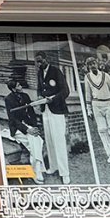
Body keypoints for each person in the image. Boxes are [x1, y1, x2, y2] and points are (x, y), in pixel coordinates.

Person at [35, 50, 71, 184]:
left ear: (46, 59)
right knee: (49, 139)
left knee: (59, 140)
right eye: (37, 62)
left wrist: (53, 99)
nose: (39, 64)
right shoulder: (39, 73)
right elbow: (40, 88)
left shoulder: (56, 71)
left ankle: (65, 172)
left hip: (56, 109)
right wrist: (40, 97)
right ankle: (53, 166)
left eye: (41, 61)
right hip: (46, 110)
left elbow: (65, 91)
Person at [83, 56, 110, 164]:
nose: (92, 66)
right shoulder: (87, 77)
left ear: (97, 64)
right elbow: (87, 94)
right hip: (96, 104)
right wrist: (89, 110)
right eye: (90, 64)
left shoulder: (105, 76)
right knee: (102, 130)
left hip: (108, 103)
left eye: (93, 63)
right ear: (87, 66)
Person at [4, 74, 45, 184]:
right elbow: (12, 119)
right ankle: (37, 171)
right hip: (18, 128)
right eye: (18, 85)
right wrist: (27, 130)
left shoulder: (25, 96)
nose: (21, 86)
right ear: (13, 89)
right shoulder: (8, 99)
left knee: (36, 141)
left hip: (27, 125)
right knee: (36, 141)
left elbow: (31, 113)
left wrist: (34, 126)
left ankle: (35, 170)